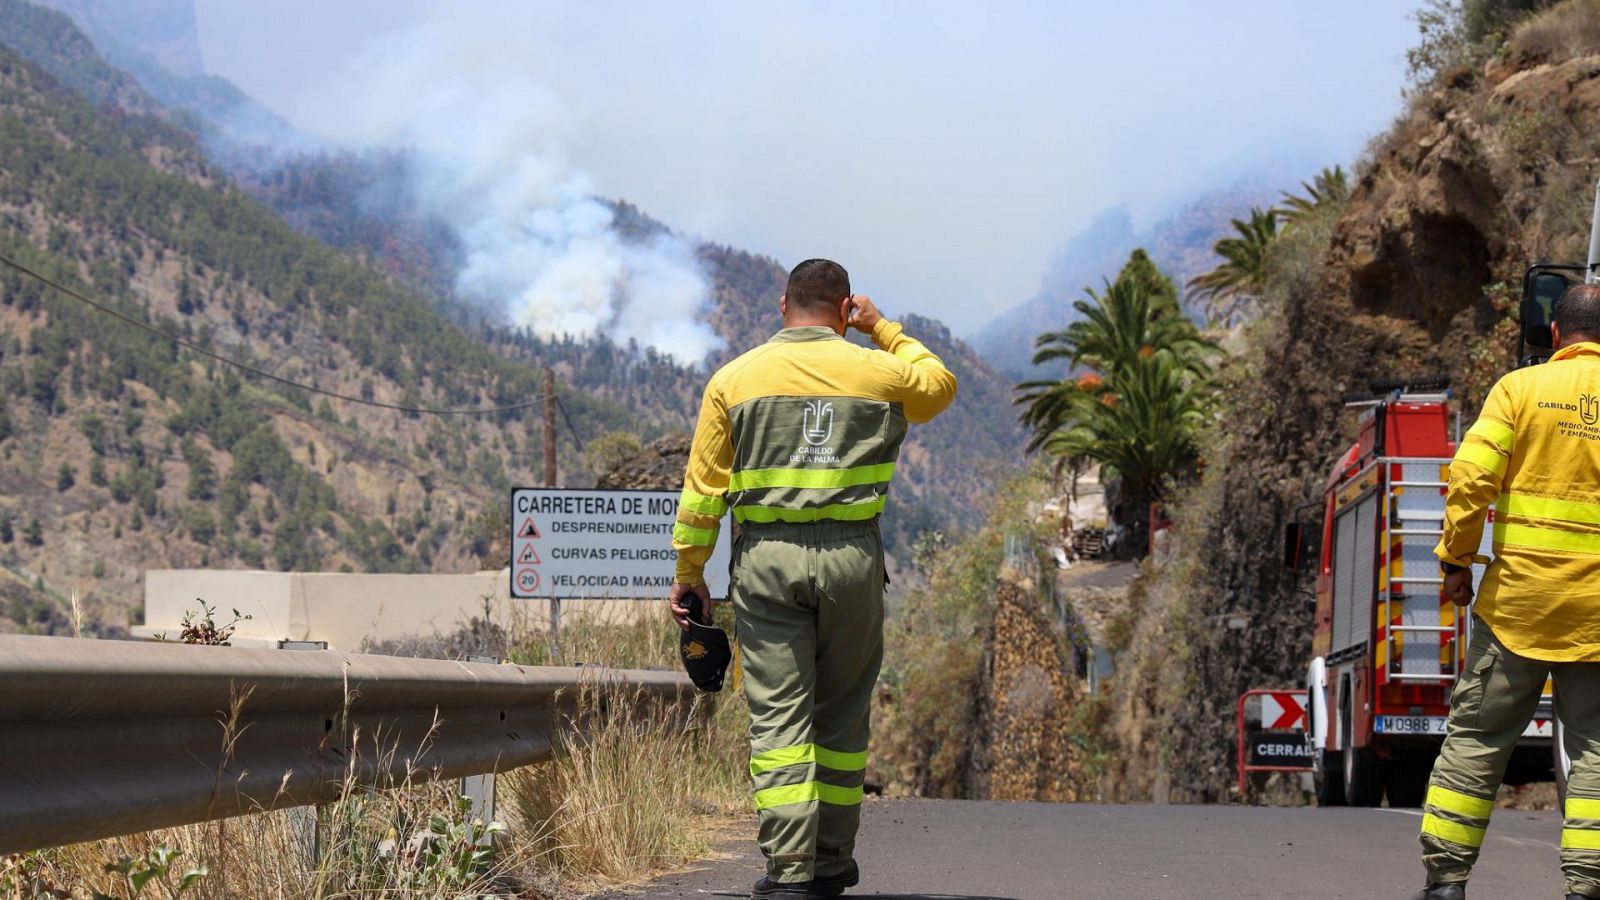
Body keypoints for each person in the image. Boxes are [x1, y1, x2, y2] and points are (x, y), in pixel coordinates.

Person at [668, 259, 957, 899]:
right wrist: (884, 328)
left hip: (767, 556)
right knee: (842, 712)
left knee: (778, 717)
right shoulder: (877, 370)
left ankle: (789, 868)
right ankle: (830, 860)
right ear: (845, 307)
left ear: (782, 304)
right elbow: (939, 387)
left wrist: (691, 573)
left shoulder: (733, 381)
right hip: (853, 558)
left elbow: (702, 493)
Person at [1412, 284, 1600, 900]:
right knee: (1596, 751)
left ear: (1554, 335)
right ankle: (1586, 888)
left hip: (1516, 606)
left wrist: (1455, 562)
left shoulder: (1518, 391)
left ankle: (1446, 882)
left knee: (1478, 739)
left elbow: (1470, 480)